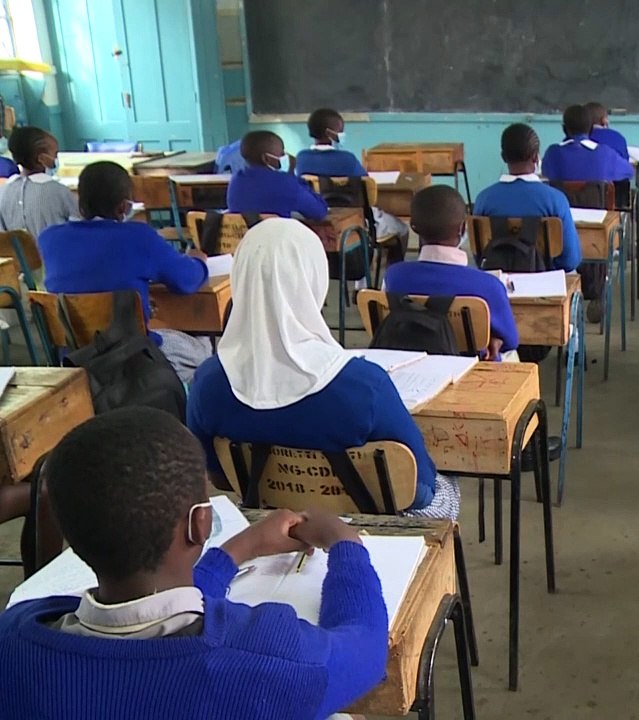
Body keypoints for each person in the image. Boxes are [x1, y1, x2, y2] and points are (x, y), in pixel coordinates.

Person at [0, 407, 389, 719]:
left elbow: (149, 615)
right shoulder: (269, 655)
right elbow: (366, 648)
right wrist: (345, 542)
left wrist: (235, 552)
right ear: (200, 523)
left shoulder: (15, 638)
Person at [186, 218, 459, 519]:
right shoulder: (365, 385)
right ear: (313, 278)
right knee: (447, 483)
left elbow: (220, 477)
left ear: (240, 278)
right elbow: (417, 484)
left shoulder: (207, 383)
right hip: (368, 524)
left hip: (271, 523)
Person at [39, 161, 212, 382]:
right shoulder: (138, 236)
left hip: (74, 355)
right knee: (204, 346)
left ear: (79, 203)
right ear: (123, 207)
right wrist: (199, 261)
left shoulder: (49, 238)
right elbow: (186, 281)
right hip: (133, 355)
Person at [384, 186, 519, 361]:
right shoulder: (488, 285)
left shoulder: (394, 277)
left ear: (413, 227)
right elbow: (510, 340)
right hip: (472, 371)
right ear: (463, 228)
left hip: (409, 365)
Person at [294, 108, 410, 259]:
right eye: (340, 131)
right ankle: (390, 275)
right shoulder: (346, 159)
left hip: (320, 222)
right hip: (357, 223)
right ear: (330, 134)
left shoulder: (302, 158)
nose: (342, 134)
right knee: (402, 229)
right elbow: (366, 186)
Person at [472, 123, 582, 273]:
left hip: (499, 280)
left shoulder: (483, 199)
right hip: (545, 283)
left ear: (503, 157)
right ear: (536, 158)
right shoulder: (555, 199)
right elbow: (570, 260)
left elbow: (479, 256)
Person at [226, 130, 328, 220]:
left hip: (243, 240)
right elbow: (319, 212)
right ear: (266, 159)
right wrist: (291, 174)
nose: (285, 156)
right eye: (282, 153)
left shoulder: (236, 181)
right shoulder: (286, 184)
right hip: (277, 240)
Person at [0, 126, 77, 237]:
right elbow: (79, 227)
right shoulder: (59, 191)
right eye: (55, 154)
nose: (56, 159)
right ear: (42, 158)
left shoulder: (3, 191)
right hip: (54, 253)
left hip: (16, 254)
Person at [542, 105, 634, 184]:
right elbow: (630, 172)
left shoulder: (552, 153)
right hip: (598, 204)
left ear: (564, 129)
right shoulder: (605, 153)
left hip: (564, 205)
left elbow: (546, 175)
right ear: (591, 128)